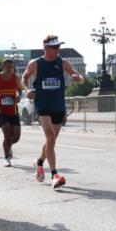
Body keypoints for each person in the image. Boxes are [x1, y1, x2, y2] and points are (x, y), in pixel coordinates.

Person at [22, 35, 85, 189]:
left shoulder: (63, 62)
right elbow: (24, 78)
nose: (58, 49)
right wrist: (27, 90)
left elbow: (80, 77)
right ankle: (54, 175)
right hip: (42, 105)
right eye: (55, 47)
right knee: (50, 137)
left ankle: (39, 163)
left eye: (58, 46)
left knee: (51, 141)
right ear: (46, 48)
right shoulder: (35, 63)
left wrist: (78, 78)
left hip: (58, 106)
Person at [0, 58, 22, 167]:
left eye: (12, 67)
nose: (10, 69)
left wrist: (19, 96)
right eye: (7, 67)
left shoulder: (16, 78)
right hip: (1, 109)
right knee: (7, 134)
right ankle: (6, 158)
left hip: (13, 109)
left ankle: (8, 146)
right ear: (3, 67)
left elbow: (20, 90)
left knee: (16, 137)